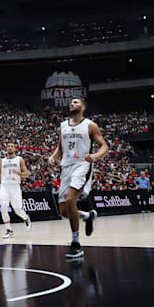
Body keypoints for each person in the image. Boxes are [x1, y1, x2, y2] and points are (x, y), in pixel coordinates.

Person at [48, 98, 107, 260]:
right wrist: (53, 157)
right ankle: (88, 216)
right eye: (71, 103)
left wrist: (95, 156)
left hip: (82, 165)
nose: (72, 104)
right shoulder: (63, 125)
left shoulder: (90, 125)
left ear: (83, 107)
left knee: (70, 199)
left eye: (75, 102)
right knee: (63, 211)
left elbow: (104, 146)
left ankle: (76, 244)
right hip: (66, 167)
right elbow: (60, 148)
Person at [0, 142, 32, 238]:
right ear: (6, 148)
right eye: (8, 146)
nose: (9, 148)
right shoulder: (2, 161)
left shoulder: (19, 159)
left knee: (17, 209)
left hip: (15, 186)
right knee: (3, 206)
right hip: (4, 186)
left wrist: (18, 173)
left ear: (15, 149)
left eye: (12, 146)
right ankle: (9, 230)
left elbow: (27, 174)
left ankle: (26, 218)